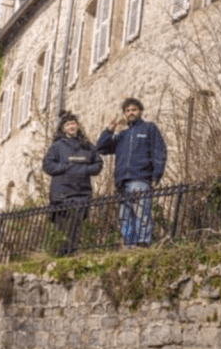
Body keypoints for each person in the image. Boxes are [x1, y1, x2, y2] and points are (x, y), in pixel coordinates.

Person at [96, 97, 167, 248]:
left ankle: (143, 244)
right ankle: (129, 246)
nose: (131, 113)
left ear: (140, 111)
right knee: (125, 217)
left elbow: (159, 152)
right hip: (122, 182)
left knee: (142, 214)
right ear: (124, 114)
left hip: (140, 178)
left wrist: (156, 175)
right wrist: (109, 130)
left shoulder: (149, 128)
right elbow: (101, 148)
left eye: (134, 110)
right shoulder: (122, 135)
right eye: (127, 111)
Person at [41, 112, 102, 255]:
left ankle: (72, 254)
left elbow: (98, 164)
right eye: (67, 124)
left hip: (81, 193)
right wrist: (66, 167)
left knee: (77, 228)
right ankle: (62, 256)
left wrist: (85, 169)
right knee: (62, 230)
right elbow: (47, 165)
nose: (71, 126)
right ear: (63, 129)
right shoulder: (56, 147)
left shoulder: (87, 147)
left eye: (73, 123)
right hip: (61, 195)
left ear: (77, 125)